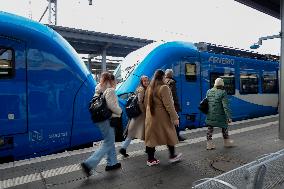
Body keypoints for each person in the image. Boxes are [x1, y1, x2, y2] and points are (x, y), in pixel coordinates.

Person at [81, 72, 122, 177]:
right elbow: (112, 106)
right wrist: (120, 111)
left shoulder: (98, 90)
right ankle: (88, 164)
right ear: (111, 81)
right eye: (115, 81)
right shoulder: (110, 90)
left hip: (99, 119)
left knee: (109, 141)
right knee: (108, 142)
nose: (116, 83)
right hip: (107, 119)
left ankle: (112, 163)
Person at [144, 69, 182, 166]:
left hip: (150, 117)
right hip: (162, 118)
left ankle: (150, 160)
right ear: (162, 77)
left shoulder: (150, 87)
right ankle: (173, 156)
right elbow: (169, 105)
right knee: (169, 135)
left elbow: (145, 103)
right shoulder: (164, 88)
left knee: (151, 138)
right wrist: (175, 117)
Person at [119, 75, 149, 157]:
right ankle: (148, 148)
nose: (146, 82)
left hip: (138, 114)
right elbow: (139, 102)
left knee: (135, 131)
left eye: (147, 80)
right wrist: (144, 112)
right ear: (141, 82)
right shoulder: (142, 89)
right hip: (140, 114)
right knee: (144, 131)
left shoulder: (141, 88)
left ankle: (123, 148)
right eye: (144, 81)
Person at [205, 78, 234, 150]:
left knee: (210, 129)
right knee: (224, 128)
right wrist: (229, 117)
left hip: (210, 114)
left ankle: (209, 145)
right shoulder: (223, 92)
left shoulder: (209, 91)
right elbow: (225, 106)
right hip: (220, 115)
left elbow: (207, 102)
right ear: (222, 85)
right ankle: (227, 142)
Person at [165, 69, 185, 141]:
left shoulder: (162, 82)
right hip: (172, 105)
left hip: (164, 105)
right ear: (171, 75)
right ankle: (177, 136)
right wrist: (177, 105)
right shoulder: (172, 82)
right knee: (176, 119)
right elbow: (174, 95)